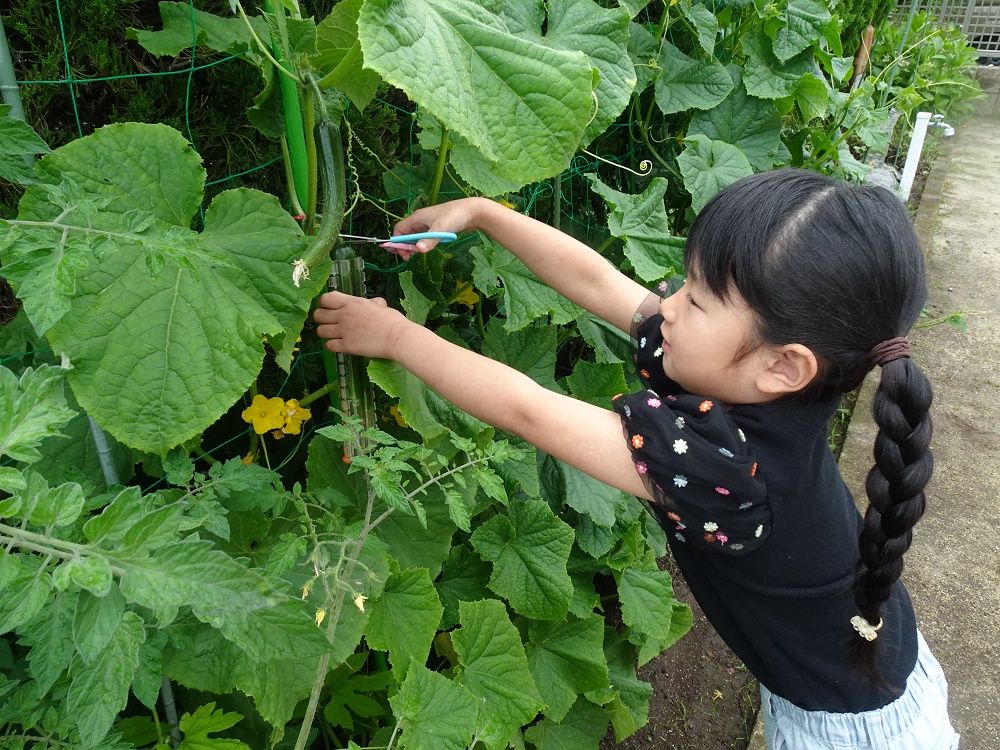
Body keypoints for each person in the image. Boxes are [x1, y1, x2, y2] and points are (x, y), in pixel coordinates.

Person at [314, 168, 958, 750]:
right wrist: (482, 213)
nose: (668, 303)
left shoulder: (724, 470)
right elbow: (599, 283)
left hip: (849, 730)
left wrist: (396, 336)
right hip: (871, 665)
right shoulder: (767, 380)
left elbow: (527, 410)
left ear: (785, 366)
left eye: (697, 298)